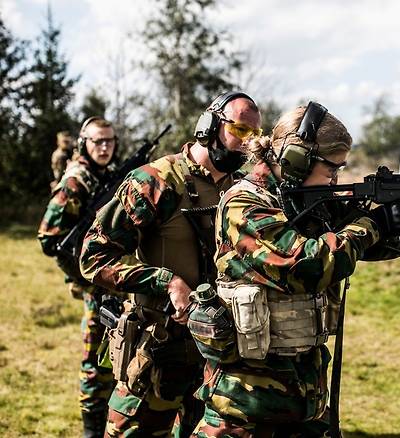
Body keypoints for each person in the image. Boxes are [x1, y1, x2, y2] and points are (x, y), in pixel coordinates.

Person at [188, 102, 400, 437]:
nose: (335, 179)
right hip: (245, 411)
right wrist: (367, 226)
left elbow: (363, 248)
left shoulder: (305, 201)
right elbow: (305, 265)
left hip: (306, 404)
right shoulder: (246, 203)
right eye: (332, 169)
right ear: (296, 161)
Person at [79, 91, 262, 437]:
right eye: (239, 130)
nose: (246, 143)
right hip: (157, 350)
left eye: (253, 135)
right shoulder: (156, 180)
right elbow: (93, 255)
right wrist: (167, 282)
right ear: (209, 126)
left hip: (217, 356)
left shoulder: (242, 190)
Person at [38, 117, 119, 437]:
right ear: (84, 142)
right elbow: (48, 238)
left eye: (110, 141)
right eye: (98, 141)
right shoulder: (76, 181)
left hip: (111, 279)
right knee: (93, 363)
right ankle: (91, 430)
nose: (104, 147)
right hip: (95, 285)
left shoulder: (107, 175)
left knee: (114, 358)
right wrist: (84, 278)